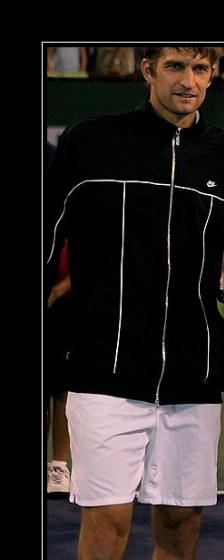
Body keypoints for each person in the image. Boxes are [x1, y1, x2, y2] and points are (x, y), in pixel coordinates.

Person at [45, 46, 224, 560]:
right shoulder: (89, 141)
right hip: (104, 368)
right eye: (175, 67)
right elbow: (49, 241)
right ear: (147, 70)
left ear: (212, 75)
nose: (188, 81)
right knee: (106, 521)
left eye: (200, 69)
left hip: (192, 375)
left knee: (182, 523)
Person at [45, 142, 72, 497]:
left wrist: (57, 291)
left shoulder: (72, 206)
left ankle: (59, 466)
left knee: (62, 390)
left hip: (65, 307)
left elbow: (89, 257)